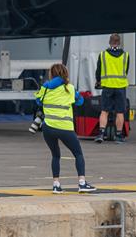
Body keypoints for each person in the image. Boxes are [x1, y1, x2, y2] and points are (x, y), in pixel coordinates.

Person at [35, 63, 96, 194]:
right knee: (78, 154)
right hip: (65, 128)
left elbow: (38, 101)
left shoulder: (45, 88)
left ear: (51, 74)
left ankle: (56, 185)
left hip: (48, 128)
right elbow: (80, 102)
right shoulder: (70, 88)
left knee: (55, 155)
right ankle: (82, 183)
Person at [94, 33, 130, 143]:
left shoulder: (103, 55)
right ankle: (118, 136)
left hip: (107, 86)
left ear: (109, 42)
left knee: (104, 111)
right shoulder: (126, 55)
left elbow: (98, 71)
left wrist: (98, 81)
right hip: (120, 87)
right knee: (120, 112)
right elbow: (126, 70)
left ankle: (101, 134)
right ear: (119, 42)